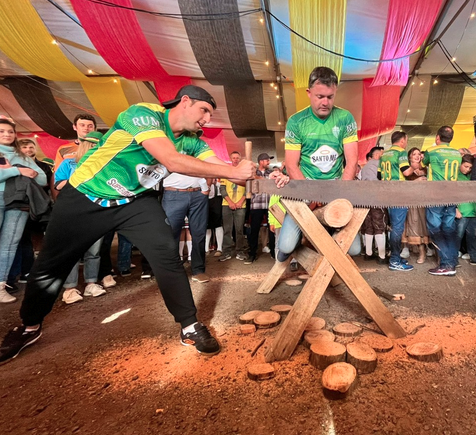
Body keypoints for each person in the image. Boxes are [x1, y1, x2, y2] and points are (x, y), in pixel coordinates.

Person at [0, 85, 289, 364]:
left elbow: (223, 169)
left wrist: (257, 175)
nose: (207, 119)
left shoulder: (193, 140)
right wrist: (232, 170)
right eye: (204, 110)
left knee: (167, 255)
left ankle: (189, 325)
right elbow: (171, 160)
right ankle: (28, 326)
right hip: (86, 194)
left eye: (210, 115)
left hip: (134, 202)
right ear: (184, 102)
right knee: (51, 264)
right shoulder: (143, 114)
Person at [276, 66, 361, 262]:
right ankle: (294, 246)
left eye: (330, 97)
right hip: (306, 187)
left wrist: (340, 195)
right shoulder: (296, 121)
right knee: (286, 245)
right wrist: (312, 195)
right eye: (320, 96)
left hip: (335, 188)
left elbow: (352, 161)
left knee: (354, 249)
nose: (325, 102)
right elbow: (291, 165)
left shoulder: (345, 118)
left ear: (335, 92)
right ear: (309, 93)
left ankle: (326, 239)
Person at [54, 131, 108, 303]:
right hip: (72, 211)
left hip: (96, 211)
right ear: (83, 145)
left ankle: (91, 284)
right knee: (72, 252)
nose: (95, 148)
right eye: (91, 145)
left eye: (98, 145)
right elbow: (58, 184)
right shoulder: (68, 163)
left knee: (94, 251)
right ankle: (70, 288)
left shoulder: (105, 165)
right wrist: (80, 178)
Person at [0, 118, 47, 304]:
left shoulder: (23, 157)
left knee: (9, 244)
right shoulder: (23, 163)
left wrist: (13, 168)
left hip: (19, 202)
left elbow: (42, 179)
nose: (6, 134)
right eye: (2, 131)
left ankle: (1, 286)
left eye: (10, 131)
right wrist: (18, 172)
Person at [423, 126, 462, 276]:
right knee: (449, 229)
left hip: (436, 195)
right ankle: (452, 260)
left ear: (437, 137)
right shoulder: (457, 153)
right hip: (452, 195)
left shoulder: (431, 151)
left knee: (434, 229)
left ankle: (447, 264)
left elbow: (423, 165)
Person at [162, 171, 209, 280]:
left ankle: (198, 270)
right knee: (170, 233)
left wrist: (206, 187)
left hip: (198, 193)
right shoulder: (169, 153)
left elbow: (207, 167)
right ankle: (171, 271)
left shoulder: (199, 153)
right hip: (173, 193)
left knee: (199, 233)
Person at [379, 131, 414, 272]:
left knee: (394, 226)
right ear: (403, 140)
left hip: (387, 193)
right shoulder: (401, 152)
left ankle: (396, 257)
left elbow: (378, 175)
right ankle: (394, 260)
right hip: (399, 193)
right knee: (398, 228)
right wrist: (414, 167)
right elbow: (406, 172)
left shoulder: (384, 155)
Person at [401, 147, 430, 264]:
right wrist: (415, 182)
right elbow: (401, 185)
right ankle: (409, 248)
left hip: (423, 202)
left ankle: (424, 251)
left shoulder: (426, 169)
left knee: (422, 227)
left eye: (419, 154)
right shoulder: (406, 170)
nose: (417, 156)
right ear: (409, 157)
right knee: (410, 227)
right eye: (414, 154)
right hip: (410, 202)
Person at [219, 152, 249, 262]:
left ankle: (240, 251)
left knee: (239, 229)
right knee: (227, 229)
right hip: (227, 204)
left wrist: (241, 201)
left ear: (240, 159)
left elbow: (249, 189)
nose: (235, 159)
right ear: (230, 159)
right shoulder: (225, 172)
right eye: (234, 158)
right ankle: (226, 252)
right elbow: (222, 189)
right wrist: (230, 202)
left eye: (237, 158)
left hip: (241, 204)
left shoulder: (244, 173)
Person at [455, 155, 476, 265]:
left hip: (473, 211)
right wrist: (455, 209)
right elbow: (451, 194)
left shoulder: (473, 176)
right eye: (466, 166)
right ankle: (453, 258)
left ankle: (475, 257)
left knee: (473, 236)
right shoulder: (455, 176)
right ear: (460, 164)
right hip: (462, 211)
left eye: (470, 167)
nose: (467, 169)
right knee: (458, 236)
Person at [360, 147, 387, 264]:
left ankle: (368, 253)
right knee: (379, 226)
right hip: (377, 198)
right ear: (377, 155)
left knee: (369, 226)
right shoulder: (379, 165)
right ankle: (382, 256)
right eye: (382, 154)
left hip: (365, 199)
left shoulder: (364, 167)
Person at [246, 153, 274, 265]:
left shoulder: (271, 173)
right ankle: (252, 253)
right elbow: (249, 186)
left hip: (270, 204)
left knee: (272, 229)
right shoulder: (252, 173)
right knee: (254, 230)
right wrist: (258, 178)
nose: (269, 162)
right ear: (261, 161)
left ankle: (273, 252)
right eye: (267, 160)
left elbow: (271, 184)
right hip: (256, 204)